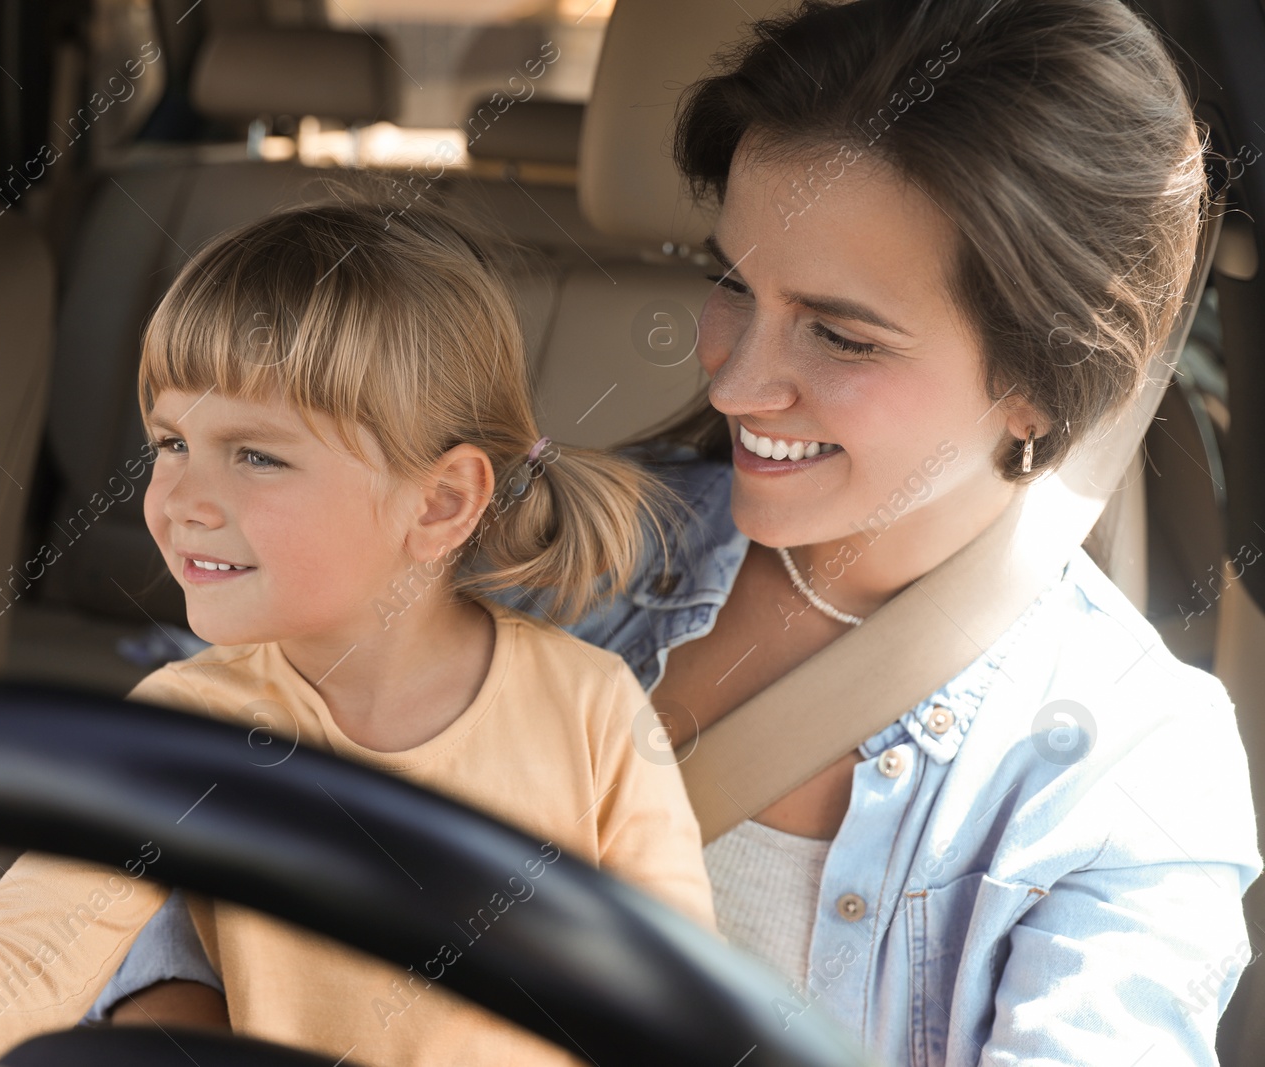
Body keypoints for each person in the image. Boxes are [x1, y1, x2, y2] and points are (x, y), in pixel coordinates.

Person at [101, 0, 1263, 1062]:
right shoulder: (544, 547)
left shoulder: (1126, 767)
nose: (737, 380)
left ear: (1047, 384)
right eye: (730, 284)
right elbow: (199, 790)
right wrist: (173, 1011)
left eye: (841, 337)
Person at [0, 201, 718, 1067]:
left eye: (254, 454)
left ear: (440, 502)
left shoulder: (588, 708)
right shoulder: (189, 721)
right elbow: (18, 965)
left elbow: (677, 1011)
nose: (179, 500)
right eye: (171, 443)